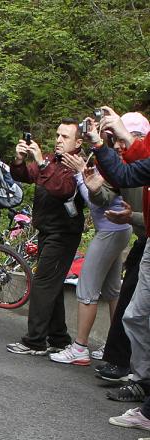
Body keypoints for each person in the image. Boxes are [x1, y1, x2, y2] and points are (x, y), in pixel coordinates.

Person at [87, 109, 150, 431]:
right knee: (134, 314)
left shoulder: (139, 159)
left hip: (135, 235)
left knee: (127, 306)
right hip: (144, 241)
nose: (122, 146)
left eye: (126, 138)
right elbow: (112, 188)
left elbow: (127, 176)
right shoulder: (130, 159)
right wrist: (95, 184)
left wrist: (132, 219)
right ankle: (140, 380)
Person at [6, 119, 85, 355]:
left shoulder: (78, 164)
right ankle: (59, 336)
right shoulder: (52, 159)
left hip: (64, 232)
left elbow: (63, 189)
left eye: (65, 137)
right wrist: (20, 160)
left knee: (42, 283)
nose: (59, 140)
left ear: (78, 142)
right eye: (58, 135)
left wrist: (40, 162)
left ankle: (35, 340)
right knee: (52, 285)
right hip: (47, 229)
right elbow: (25, 175)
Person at [48, 151, 131, 365]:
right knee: (113, 290)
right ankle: (114, 345)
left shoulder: (113, 168)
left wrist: (79, 174)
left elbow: (97, 202)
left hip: (109, 231)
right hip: (118, 230)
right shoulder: (115, 165)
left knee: (86, 289)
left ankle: (80, 348)